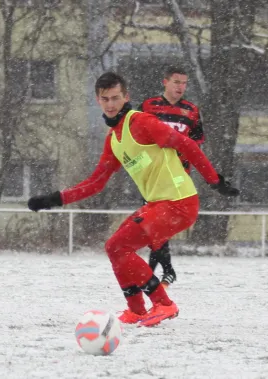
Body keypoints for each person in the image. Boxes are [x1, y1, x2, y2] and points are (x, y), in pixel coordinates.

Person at [27, 72, 239, 327]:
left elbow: (187, 145)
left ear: (126, 97)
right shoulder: (114, 139)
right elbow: (95, 184)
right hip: (158, 204)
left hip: (179, 202)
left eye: (116, 98)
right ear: (98, 100)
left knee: (119, 246)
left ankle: (164, 304)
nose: (111, 104)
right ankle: (136, 310)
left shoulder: (141, 122)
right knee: (113, 248)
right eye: (105, 99)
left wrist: (214, 181)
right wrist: (53, 199)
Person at [139, 65, 204, 288]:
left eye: (184, 83)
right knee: (153, 226)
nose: (181, 87)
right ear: (165, 82)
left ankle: (155, 273)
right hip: (153, 176)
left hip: (178, 178)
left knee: (158, 225)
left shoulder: (192, 111)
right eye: (176, 82)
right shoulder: (148, 106)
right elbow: (135, 135)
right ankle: (164, 272)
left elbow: (196, 143)